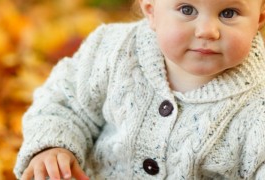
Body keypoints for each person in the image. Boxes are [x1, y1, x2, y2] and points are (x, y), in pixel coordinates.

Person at [14, 0, 265, 179]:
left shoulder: (258, 104)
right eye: (187, 9)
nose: (207, 31)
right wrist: (54, 147)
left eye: (229, 13)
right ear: (151, 11)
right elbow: (65, 103)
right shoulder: (113, 50)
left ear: (259, 19)